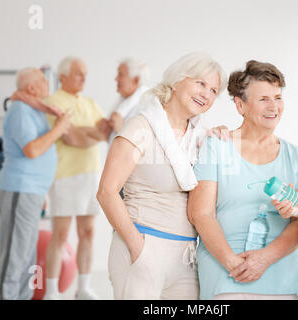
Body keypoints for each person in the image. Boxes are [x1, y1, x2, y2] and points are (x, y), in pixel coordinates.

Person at [97, 52, 228, 299]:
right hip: (143, 248)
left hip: (186, 258)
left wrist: (218, 136)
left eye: (213, 90)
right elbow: (106, 192)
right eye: (200, 83)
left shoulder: (201, 137)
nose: (206, 94)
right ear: (177, 81)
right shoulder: (141, 127)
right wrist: (138, 248)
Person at [188, 60, 298, 300]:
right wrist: (232, 263)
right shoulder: (217, 146)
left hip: (281, 278)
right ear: (240, 105)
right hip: (224, 275)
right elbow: (201, 214)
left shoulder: (296, 156)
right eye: (263, 99)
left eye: (277, 97)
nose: (273, 106)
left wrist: (265, 258)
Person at [0, 67, 71, 300]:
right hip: (20, 188)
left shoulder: (34, 109)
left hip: (31, 191)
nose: (47, 82)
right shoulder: (20, 110)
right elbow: (32, 149)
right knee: (15, 253)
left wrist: (43, 193)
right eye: (42, 80)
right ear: (30, 88)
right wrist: (59, 128)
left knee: (27, 252)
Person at [43, 56, 109, 300]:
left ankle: (83, 288)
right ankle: (51, 291)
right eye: (79, 73)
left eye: (85, 73)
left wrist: (86, 133)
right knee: (60, 235)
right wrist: (91, 133)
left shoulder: (90, 103)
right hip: (65, 176)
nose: (84, 78)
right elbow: (70, 138)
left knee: (88, 232)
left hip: (91, 175)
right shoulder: (52, 103)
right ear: (63, 76)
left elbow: (105, 133)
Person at [105, 58, 150, 144]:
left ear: (136, 80)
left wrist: (120, 129)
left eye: (120, 75)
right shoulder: (121, 102)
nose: (116, 79)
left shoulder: (147, 105)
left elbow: (145, 144)